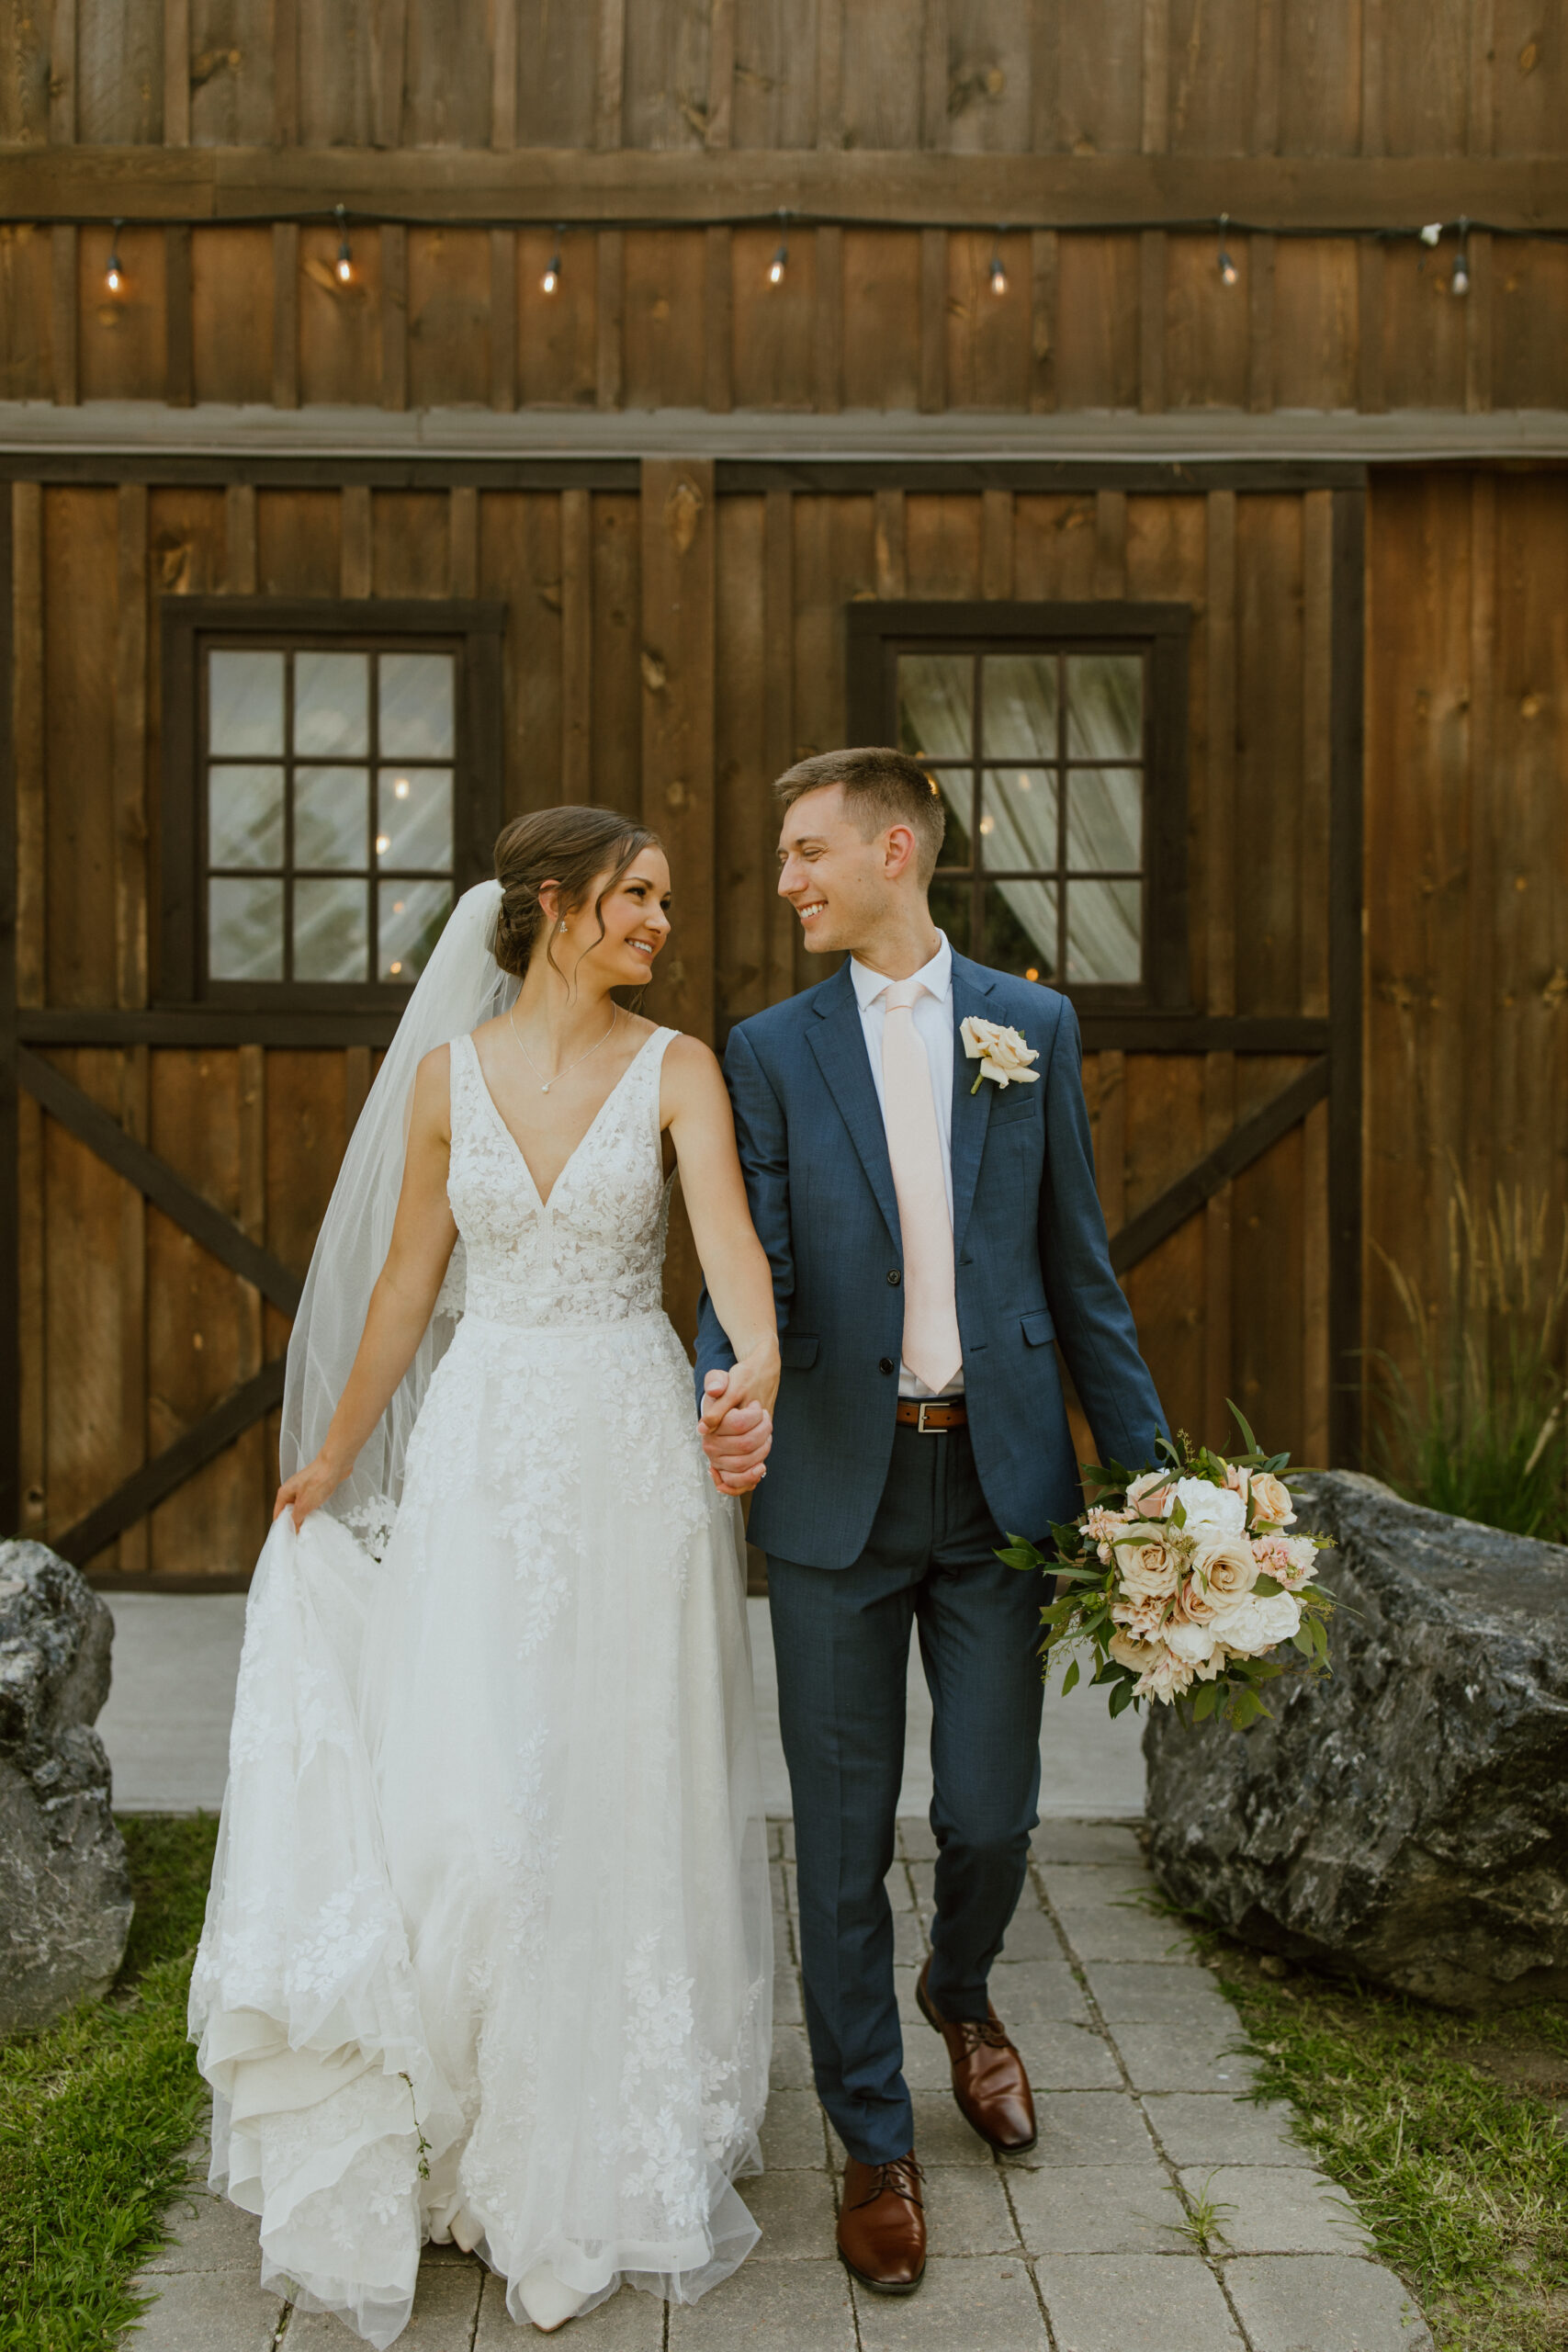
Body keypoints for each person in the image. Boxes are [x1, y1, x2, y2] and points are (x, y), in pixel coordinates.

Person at [190, 808, 778, 2346]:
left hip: (630, 1452)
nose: (662, 920)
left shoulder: (681, 1070)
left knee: (613, 1767)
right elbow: (405, 1283)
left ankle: (600, 2121)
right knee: (474, 1774)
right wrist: (332, 1453)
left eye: (662, 897)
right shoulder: (448, 1080)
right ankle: (472, 2110)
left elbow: (728, 1252)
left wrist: (755, 1370)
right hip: (480, 1445)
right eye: (637, 896)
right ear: (554, 904)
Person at [696, 749, 1166, 2296]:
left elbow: (1079, 1267)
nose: (786, 881)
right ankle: (873, 2140)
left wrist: (1159, 1482)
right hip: (837, 1478)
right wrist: (730, 1385)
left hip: (1003, 1486)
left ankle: (962, 1990)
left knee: (991, 1810)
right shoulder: (766, 1048)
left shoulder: (1028, 1027)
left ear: (895, 849)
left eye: (806, 851)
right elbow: (743, 1259)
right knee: (836, 1847)